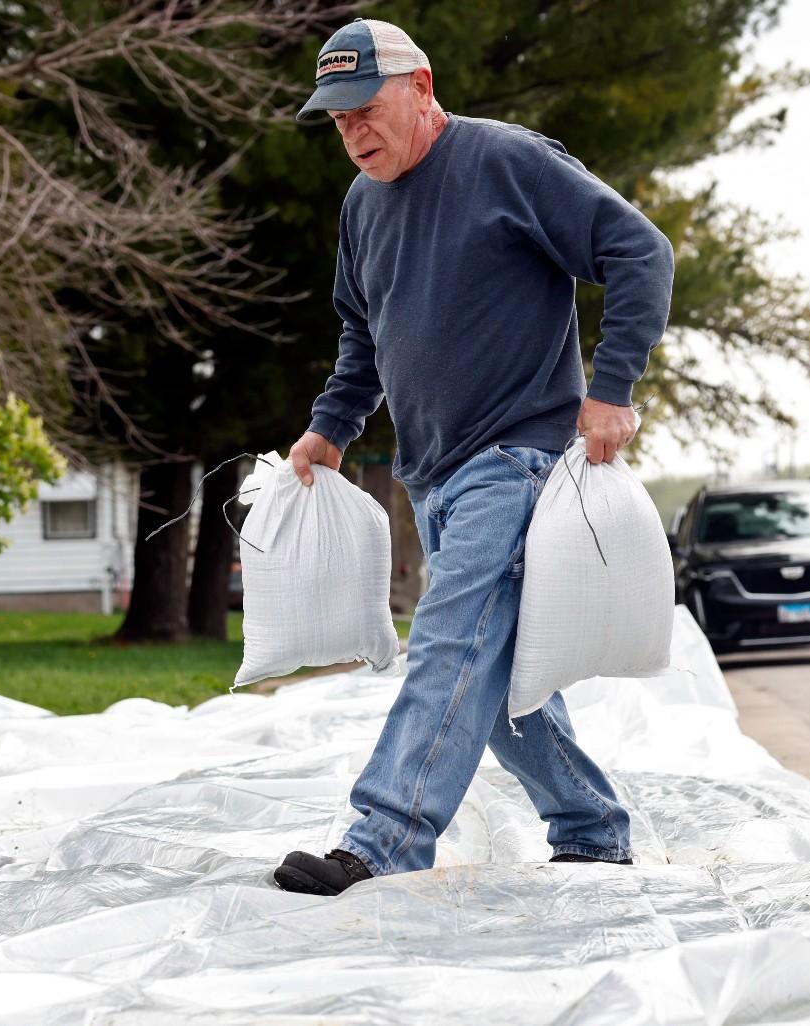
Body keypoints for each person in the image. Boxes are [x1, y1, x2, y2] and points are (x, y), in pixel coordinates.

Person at [272, 19, 675, 895]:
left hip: (518, 457)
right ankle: (593, 830)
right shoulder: (362, 205)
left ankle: (380, 844)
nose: (353, 133)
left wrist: (610, 391)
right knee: (489, 677)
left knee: (450, 647)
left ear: (421, 87)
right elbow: (361, 335)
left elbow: (640, 251)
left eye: (366, 110)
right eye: (337, 121)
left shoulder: (505, 163)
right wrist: (331, 426)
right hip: (433, 476)